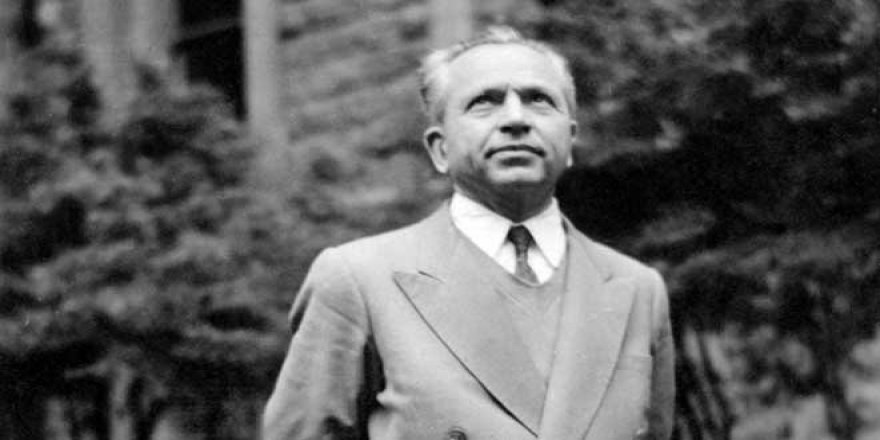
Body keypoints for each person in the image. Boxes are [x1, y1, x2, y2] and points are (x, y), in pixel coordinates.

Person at [263, 26, 674, 440]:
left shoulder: (639, 291)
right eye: (484, 102)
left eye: (538, 99)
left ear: (570, 140)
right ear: (439, 149)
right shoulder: (358, 280)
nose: (516, 119)